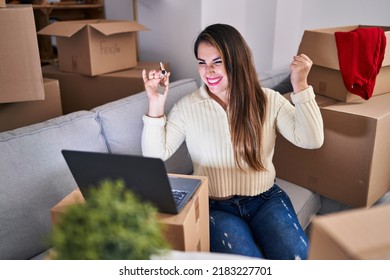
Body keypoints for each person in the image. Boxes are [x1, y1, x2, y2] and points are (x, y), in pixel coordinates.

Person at [141, 23, 324, 260]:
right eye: (202, 62)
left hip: (266, 199)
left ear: (236, 60)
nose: (209, 71)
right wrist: (155, 103)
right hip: (215, 207)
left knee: (298, 259)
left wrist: (300, 84)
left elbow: (312, 139)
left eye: (217, 62)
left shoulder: (268, 100)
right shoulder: (187, 107)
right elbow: (155, 156)